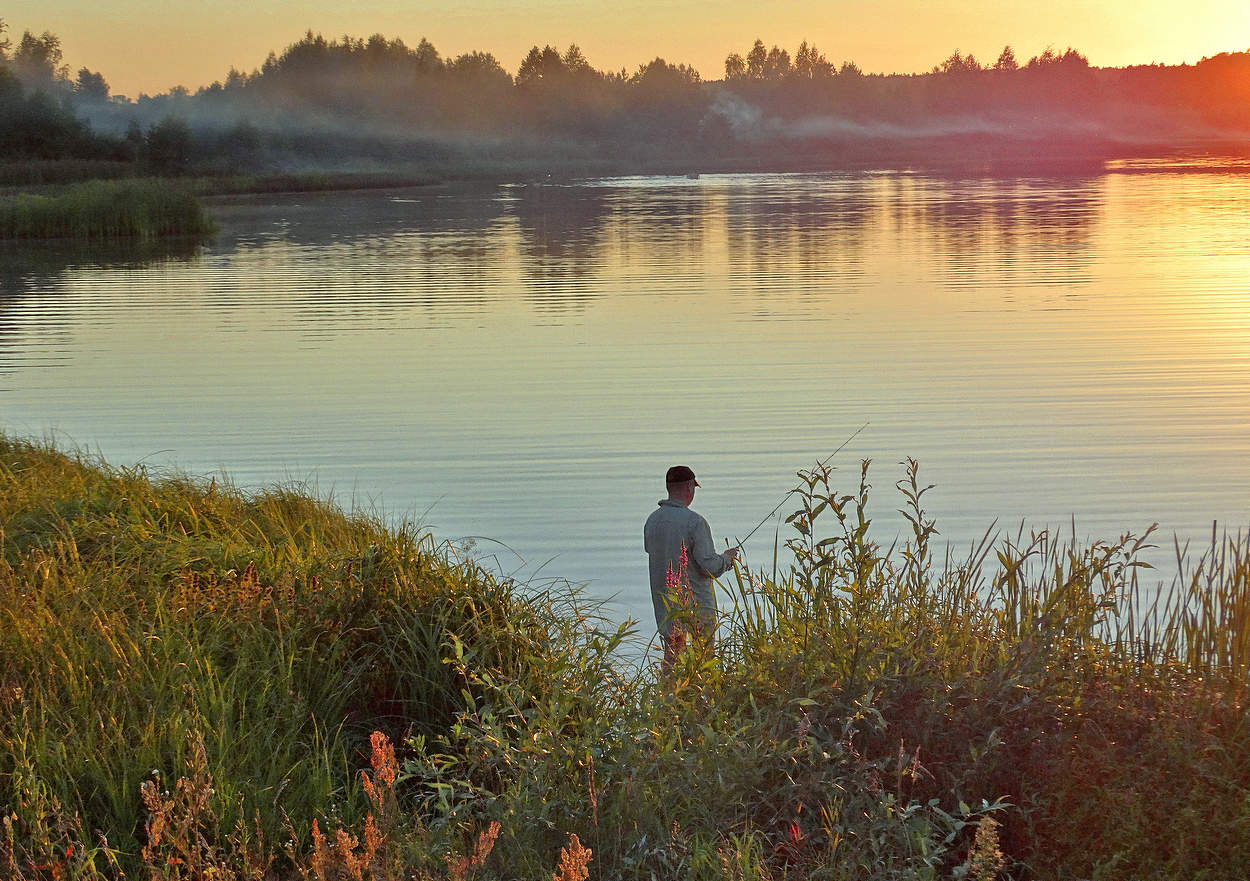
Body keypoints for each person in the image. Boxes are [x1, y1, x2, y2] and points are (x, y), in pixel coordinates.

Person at [644, 465, 739, 655]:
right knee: (703, 657)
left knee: (672, 655)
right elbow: (708, 566)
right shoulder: (694, 522)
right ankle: (703, 686)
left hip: (666, 602)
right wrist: (727, 559)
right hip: (697, 604)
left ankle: (669, 686)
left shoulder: (652, 521)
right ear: (689, 487)